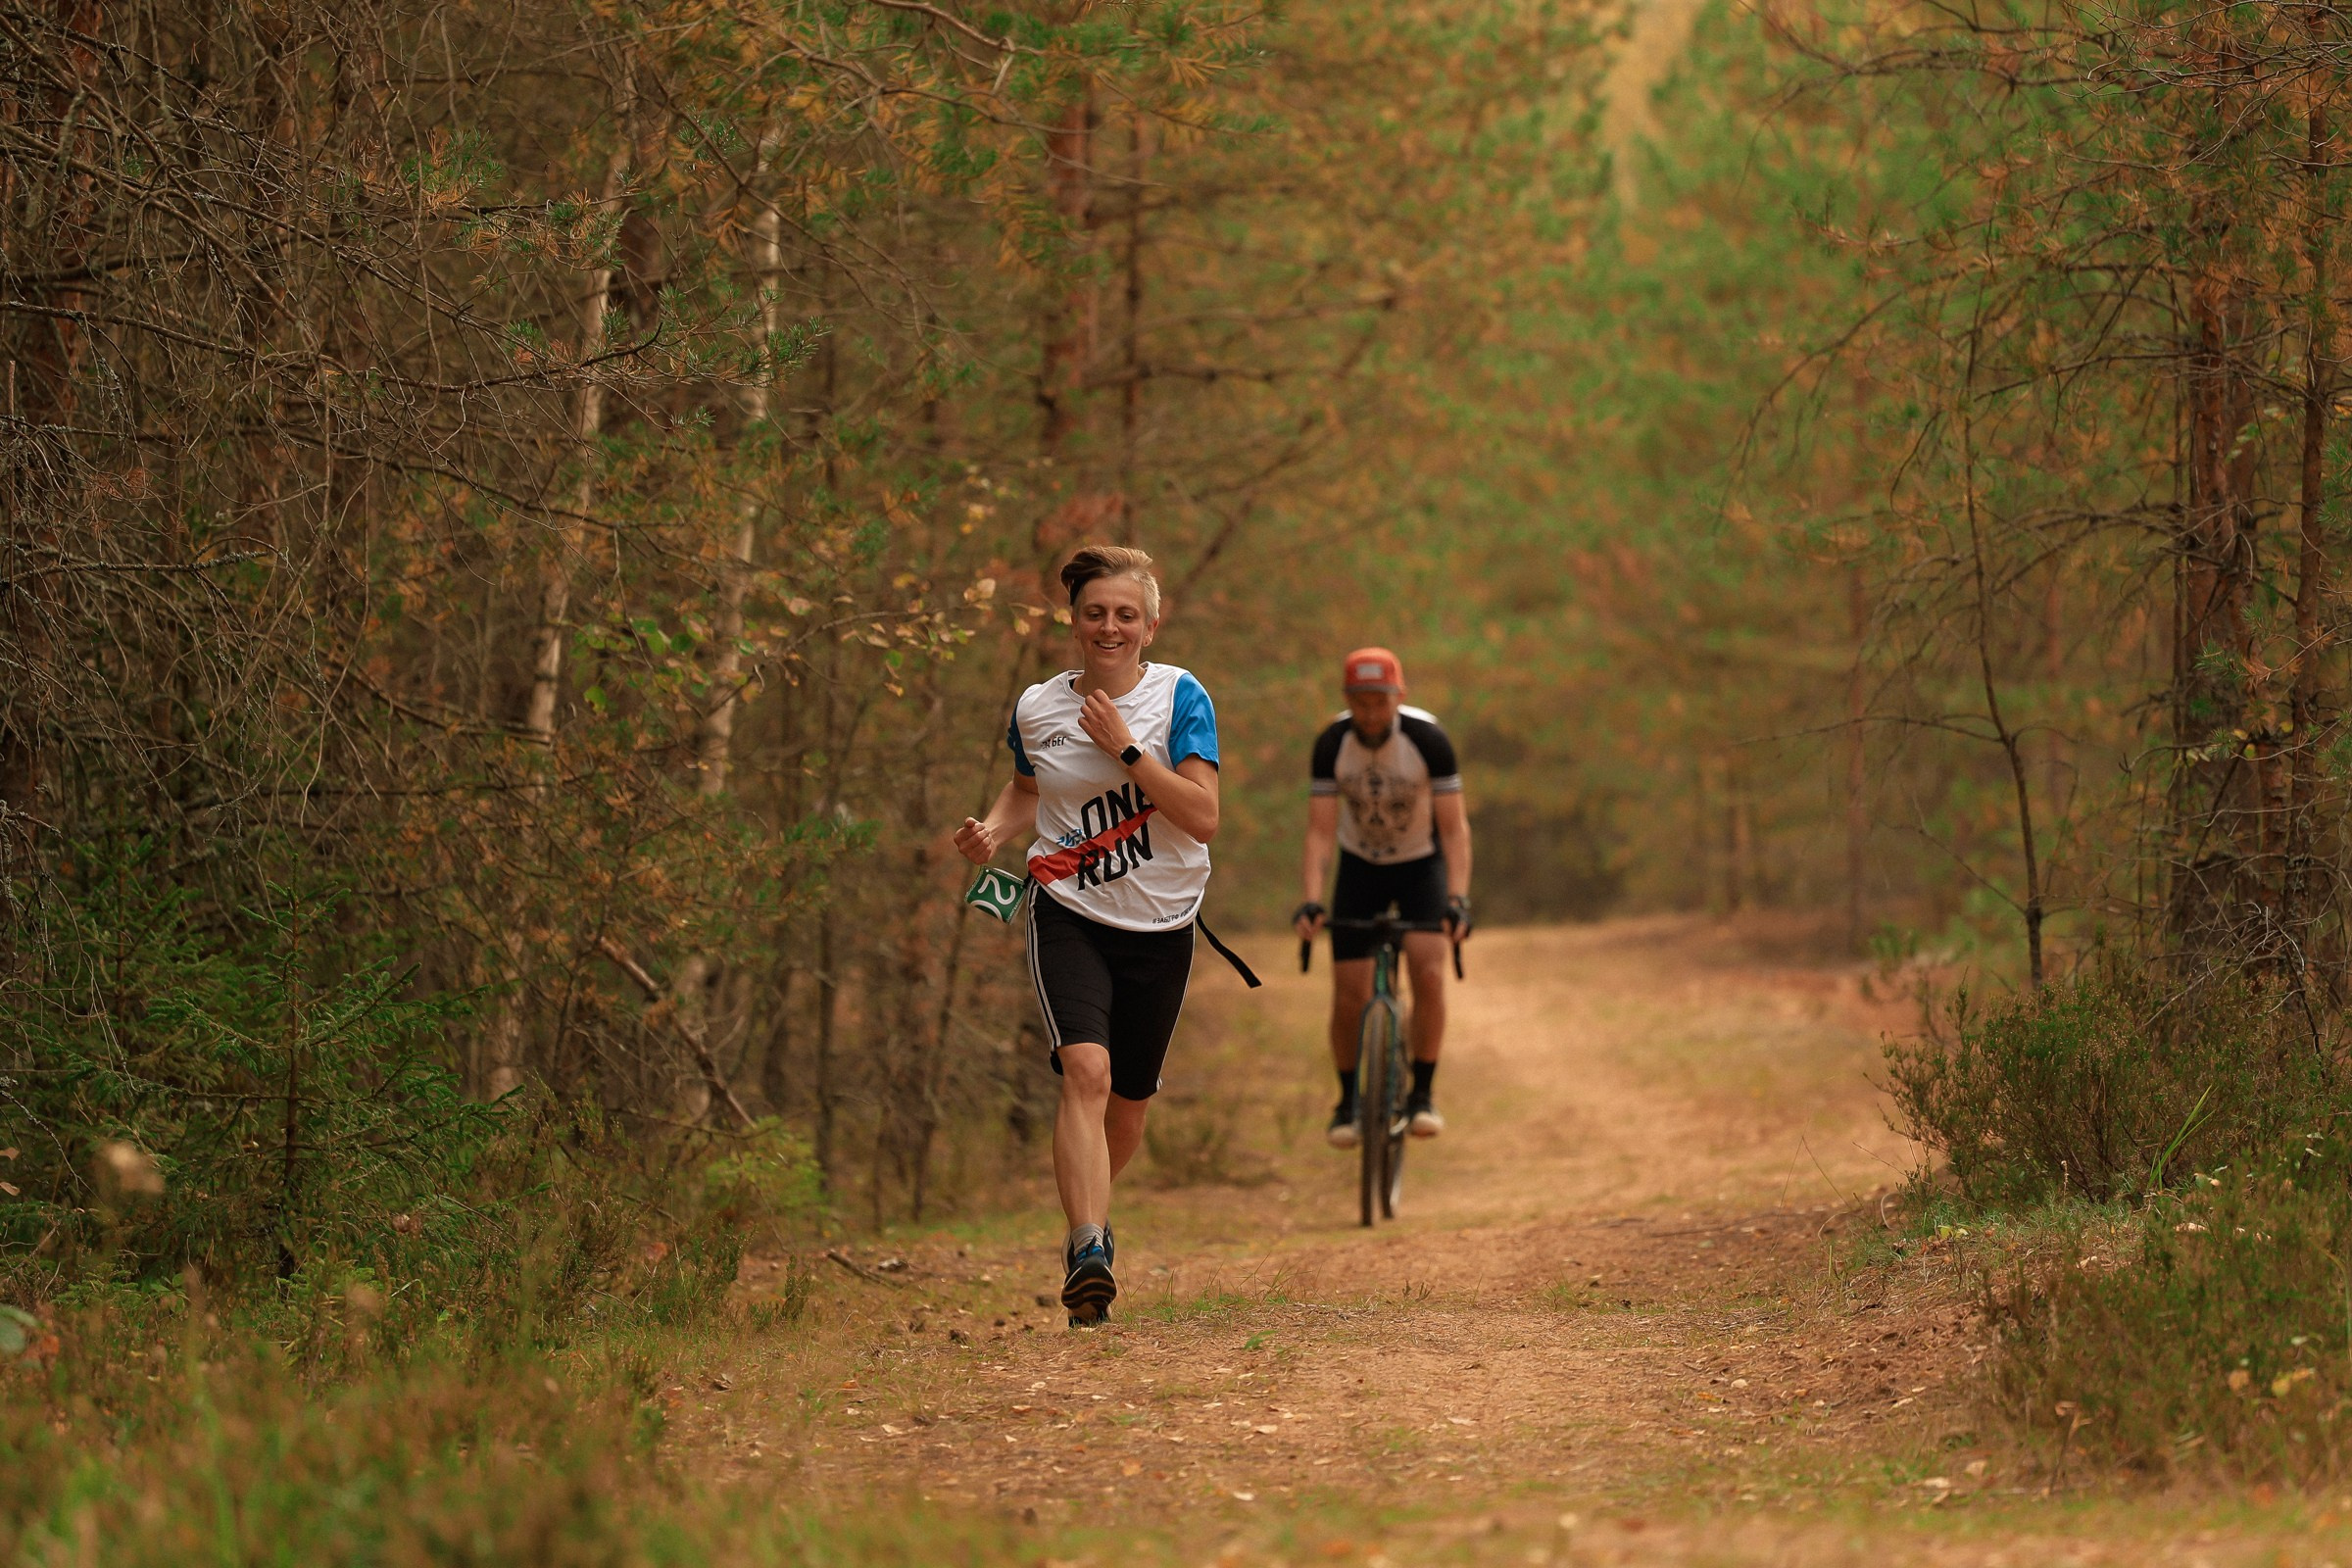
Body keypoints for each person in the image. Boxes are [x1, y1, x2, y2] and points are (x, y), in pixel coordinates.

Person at [955, 544, 1222, 1326]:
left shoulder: (1180, 697)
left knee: (1128, 1106)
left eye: (1125, 615)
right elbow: (1026, 789)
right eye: (1095, 613)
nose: (1110, 627)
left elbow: (1203, 816)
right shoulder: (1037, 706)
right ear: (1073, 622)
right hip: (1066, 910)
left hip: (1164, 921)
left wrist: (1129, 751)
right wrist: (995, 832)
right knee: (1086, 1072)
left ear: (1151, 623)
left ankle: (1096, 1213)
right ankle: (1086, 1250)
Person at [1292, 647, 1472, 1148]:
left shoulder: (1428, 740)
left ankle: (1423, 1094)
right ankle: (1347, 1101)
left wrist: (1457, 899)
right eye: (1362, 702)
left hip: (1421, 863)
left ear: (1400, 698)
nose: (1371, 713)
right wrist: (1311, 899)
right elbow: (1320, 833)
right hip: (1360, 866)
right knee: (1349, 991)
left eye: (1381, 702)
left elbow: (1455, 830)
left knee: (1429, 969)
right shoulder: (1332, 743)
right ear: (1348, 699)